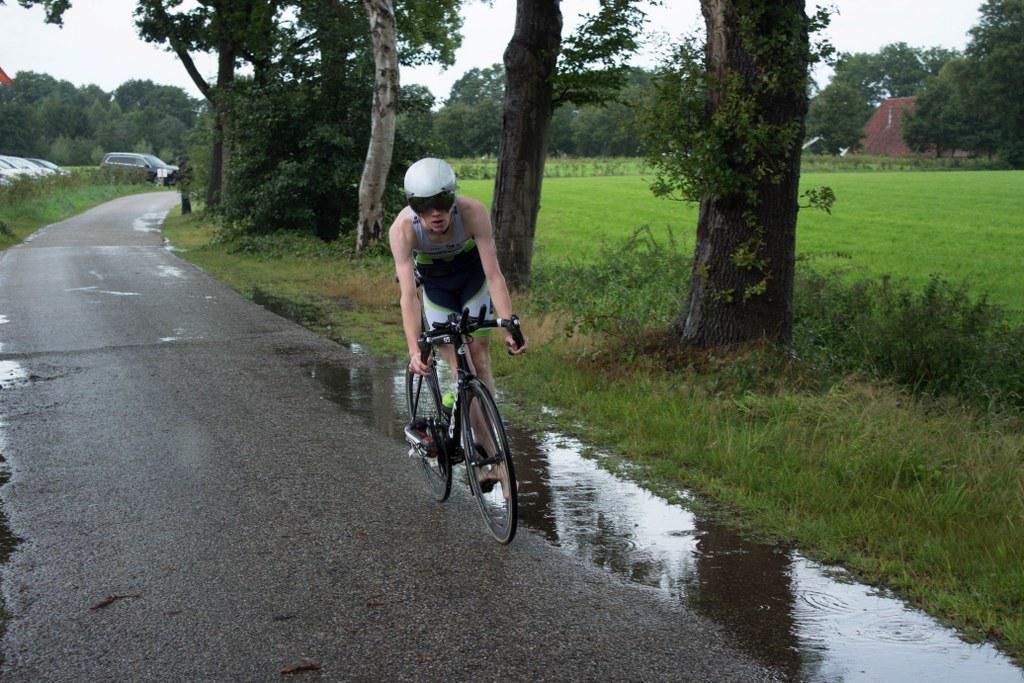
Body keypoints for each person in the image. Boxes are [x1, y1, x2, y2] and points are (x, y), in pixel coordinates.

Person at [389, 157, 527, 393]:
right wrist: (414, 350)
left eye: (443, 202)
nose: (436, 213)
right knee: (460, 369)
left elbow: (493, 274)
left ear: (453, 196)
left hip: (471, 279)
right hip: (436, 286)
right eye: (425, 206)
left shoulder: (472, 212)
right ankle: (465, 421)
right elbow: (409, 296)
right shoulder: (402, 229)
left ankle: (487, 430)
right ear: (413, 206)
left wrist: (508, 325)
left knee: (479, 360)